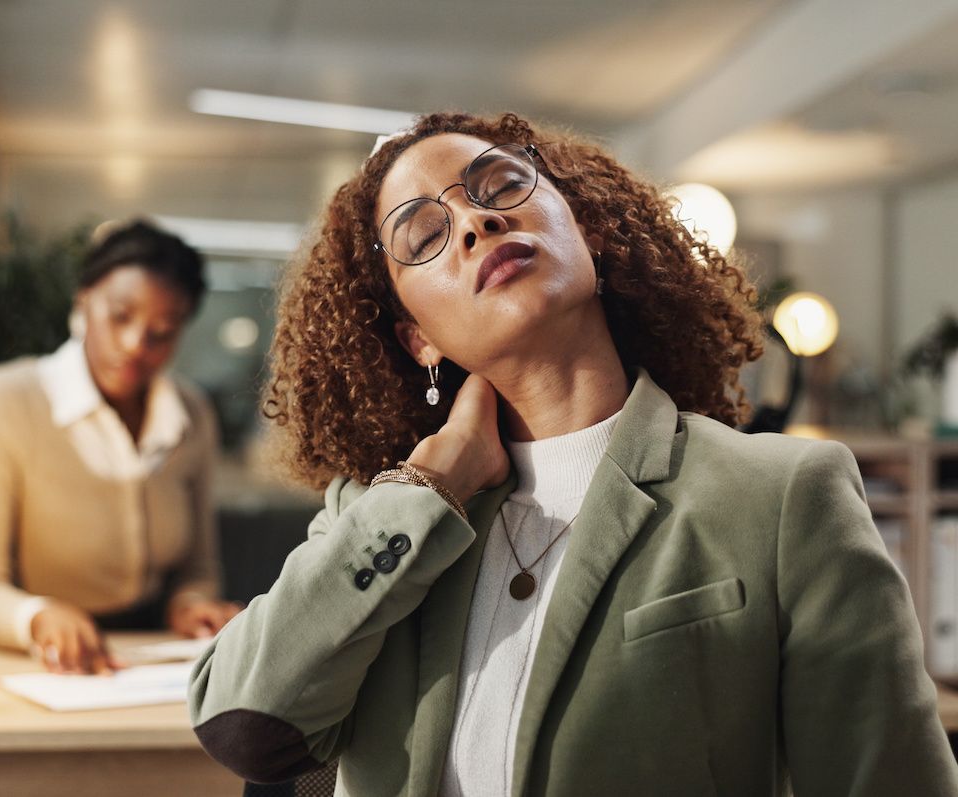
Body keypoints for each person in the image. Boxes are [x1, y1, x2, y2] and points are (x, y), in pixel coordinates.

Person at [187, 112, 958, 795]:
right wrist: (430, 484)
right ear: (417, 338)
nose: (473, 223)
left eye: (498, 185)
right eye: (424, 235)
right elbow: (242, 725)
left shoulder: (786, 496)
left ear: (586, 228)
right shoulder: (383, 515)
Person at [0, 220, 240, 675]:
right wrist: (37, 617)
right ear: (83, 300)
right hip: (33, 664)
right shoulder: (2, 402)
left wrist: (191, 604)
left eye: (161, 332)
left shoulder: (192, 415)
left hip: (152, 666)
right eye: (120, 316)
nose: (134, 345)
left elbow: (198, 567)